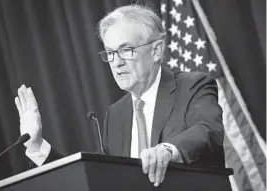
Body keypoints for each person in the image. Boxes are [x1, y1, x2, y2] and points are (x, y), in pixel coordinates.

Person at [15, 5, 225, 187]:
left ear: (156, 51)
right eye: (110, 53)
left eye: (126, 50)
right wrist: (36, 145)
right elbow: (90, 175)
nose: (116, 62)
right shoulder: (116, 115)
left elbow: (207, 131)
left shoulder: (193, 86)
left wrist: (167, 150)